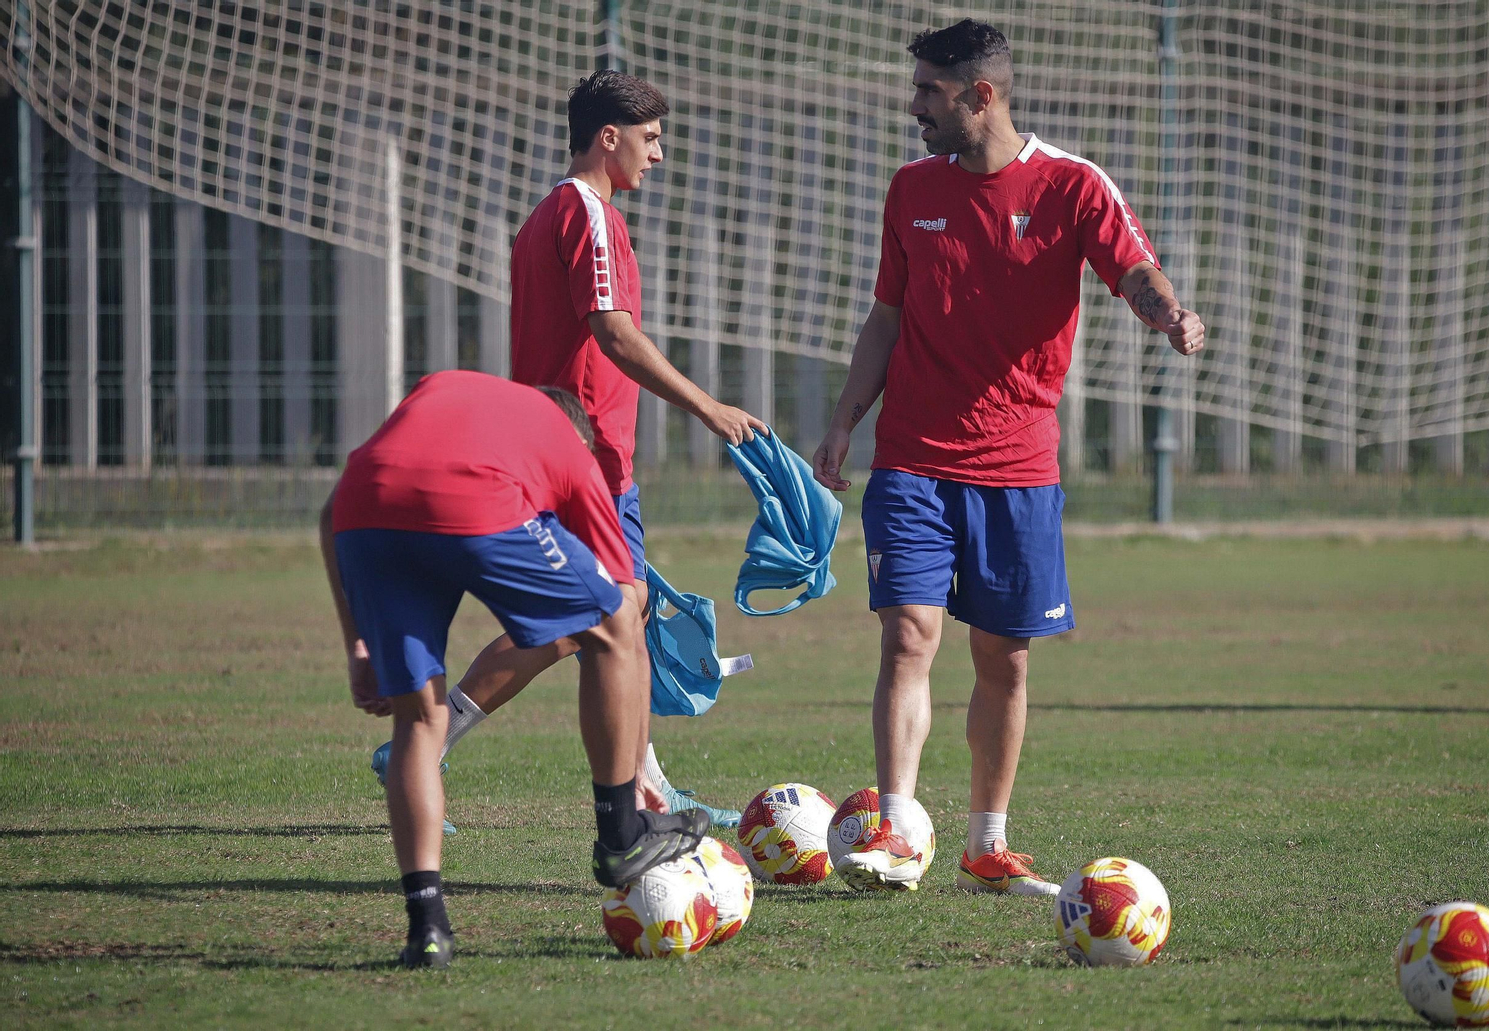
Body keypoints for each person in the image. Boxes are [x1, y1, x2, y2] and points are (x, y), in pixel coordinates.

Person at [812, 19, 1206, 895]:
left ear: (980, 96)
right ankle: (897, 826)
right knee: (908, 638)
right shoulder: (910, 188)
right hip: (913, 459)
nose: (915, 106)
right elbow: (886, 316)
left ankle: (986, 845)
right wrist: (844, 422)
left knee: (1004, 660)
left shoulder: (1071, 184)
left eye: (930, 91)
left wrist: (1169, 315)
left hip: (1018, 469)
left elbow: (1134, 271)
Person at [370, 70, 767, 827]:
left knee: (615, 618)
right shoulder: (588, 213)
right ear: (608, 137)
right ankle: (431, 743)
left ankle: (645, 784)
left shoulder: (552, 214)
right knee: (592, 619)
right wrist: (708, 408)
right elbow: (614, 333)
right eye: (651, 139)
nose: (660, 154)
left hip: (578, 453)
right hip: (581, 459)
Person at [323, 371, 708, 968]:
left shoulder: (452, 390)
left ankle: (427, 929)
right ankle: (621, 834)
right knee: (615, 623)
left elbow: (331, 512)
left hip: (363, 509)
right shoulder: (570, 447)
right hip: (473, 499)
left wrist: (358, 645)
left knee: (418, 721)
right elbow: (621, 603)